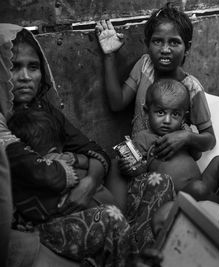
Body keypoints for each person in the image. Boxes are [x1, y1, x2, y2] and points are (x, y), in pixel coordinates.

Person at [0, 23, 172, 266]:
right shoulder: (1, 121)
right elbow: (42, 174)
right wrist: (80, 164)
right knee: (111, 218)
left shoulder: (45, 110)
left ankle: (141, 253)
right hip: (41, 223)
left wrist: (89, 180)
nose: (26, 77)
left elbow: (94, 149)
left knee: (159, 183)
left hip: (82, 198)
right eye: (14, 67)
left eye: (34, 67)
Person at [95, 3, 215, 162]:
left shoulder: (192, 87)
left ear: (187, 47)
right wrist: (109, 56)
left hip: (173, 165)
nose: (165, 49)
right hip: (140, 161)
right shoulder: (145, 66)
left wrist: (186, 137)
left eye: (174, 42)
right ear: (147, 44)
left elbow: (210, 140)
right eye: (157, 41)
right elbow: (117, 103)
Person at [120, 79, 219, 203]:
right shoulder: (142, 138)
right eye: (160, 112)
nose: (167, 120)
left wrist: (187, 138)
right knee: (198, 188)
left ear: (183, 116)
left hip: (201, 184)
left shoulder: (184, 132)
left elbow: (196, 155)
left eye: (175, 114)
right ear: (146, 111)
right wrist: (129, 168)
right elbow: (141, 174)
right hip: (175, 196)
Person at [7, 109, 115, 224]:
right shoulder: (64, 171)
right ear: (55, 149)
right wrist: (76, 160)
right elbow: (92, 156)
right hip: (106, 217)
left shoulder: (17, 174)